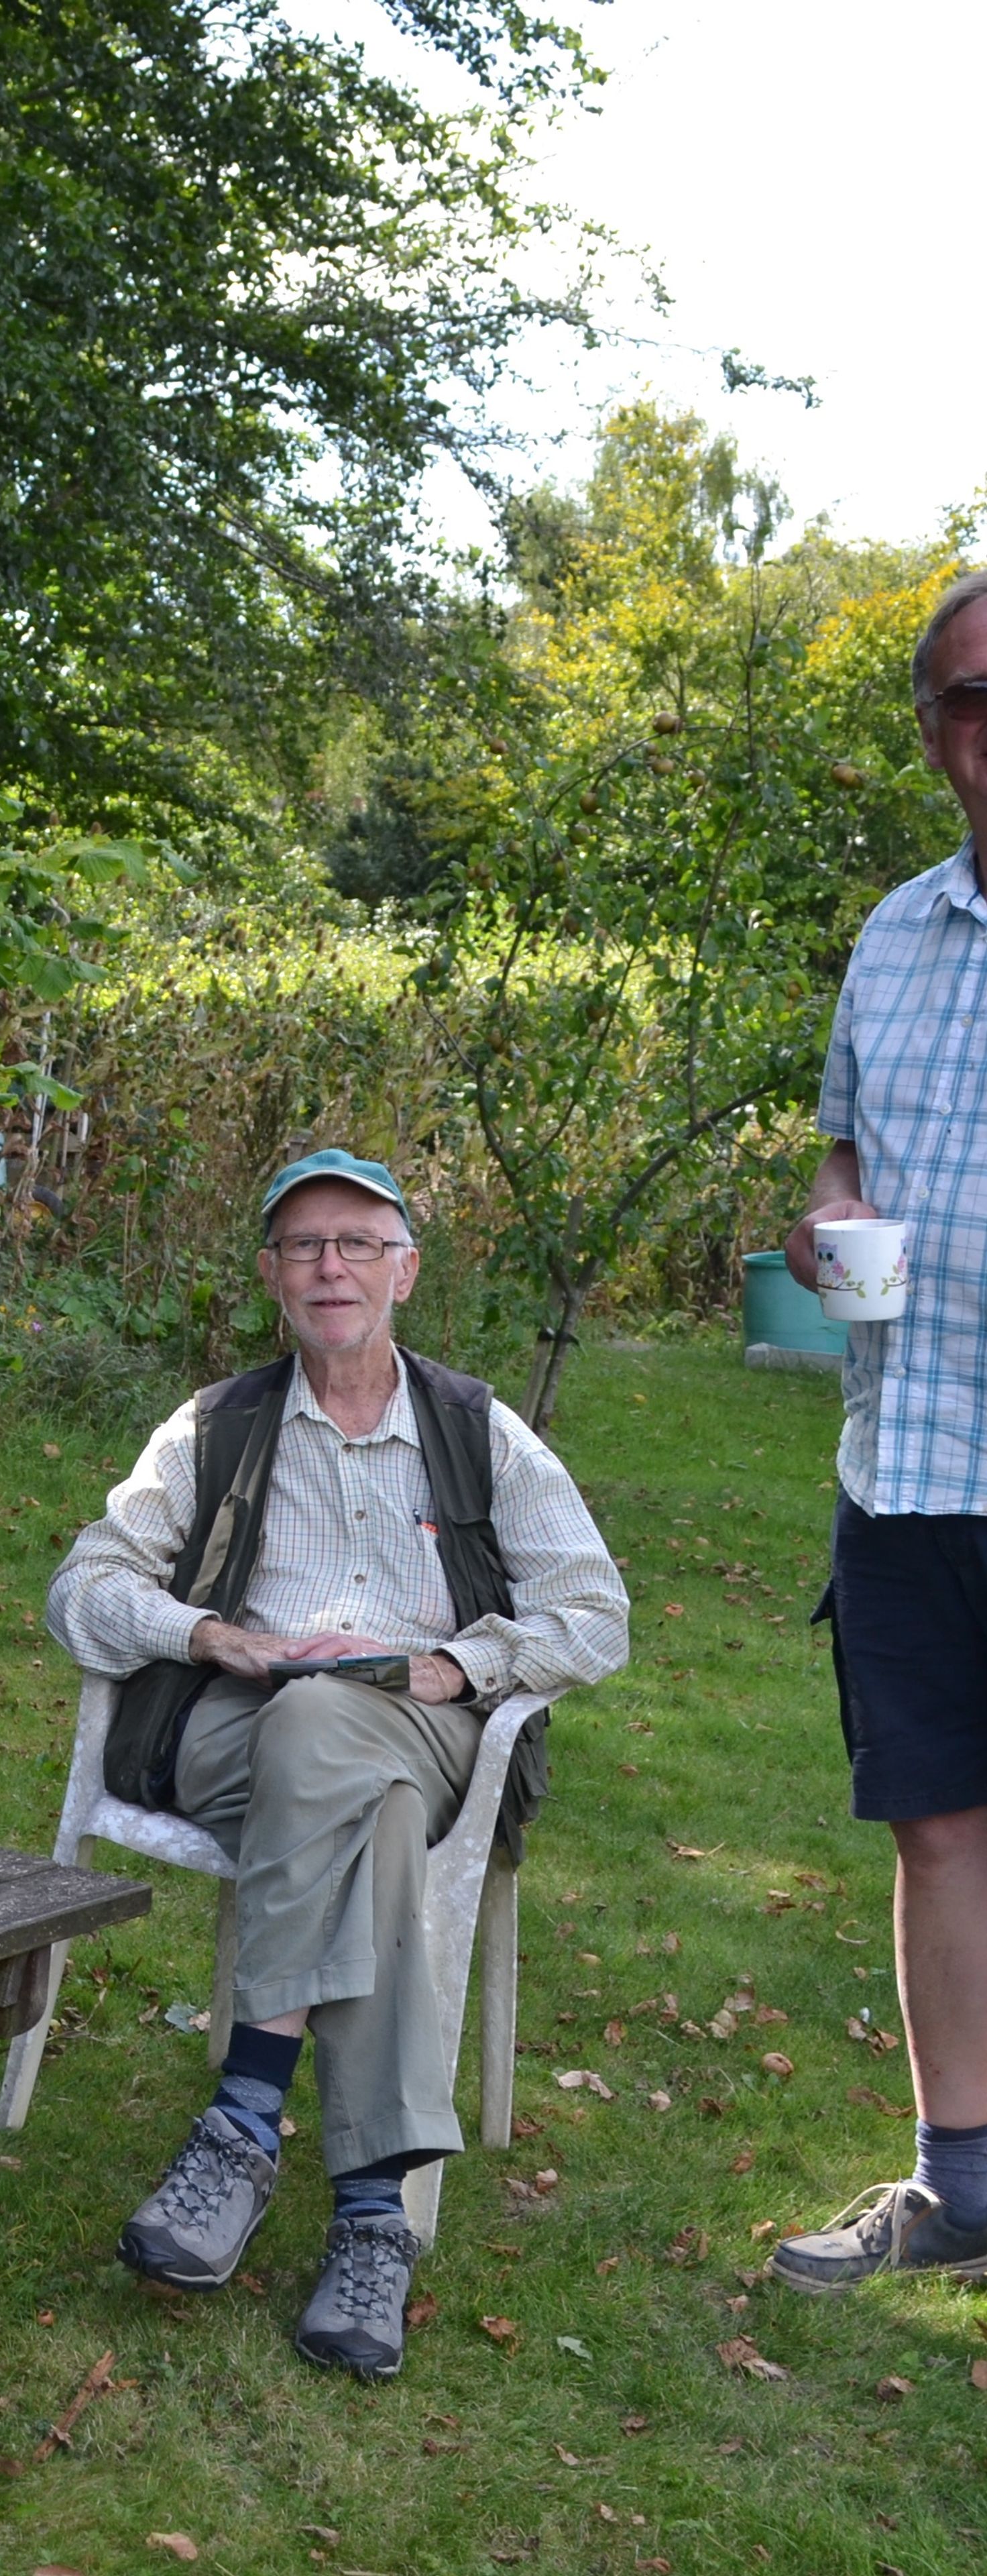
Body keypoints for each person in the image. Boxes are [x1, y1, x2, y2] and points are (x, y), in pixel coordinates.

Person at [46, 1148, 629, 2378]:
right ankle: (373, 2217)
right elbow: (83, 1588)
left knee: (341, 1736)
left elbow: (595, 1616)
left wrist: (455, 1668)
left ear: (405, 1270)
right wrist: (212, 1635)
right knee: (333, 1758)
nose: (331, 1266)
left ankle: (243, 2127)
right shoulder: (215, 1426)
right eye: (305, 1245)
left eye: (359, 1244)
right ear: (270, 1275)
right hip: (238, 1723)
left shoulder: (481, 1432)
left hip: (424, 1716)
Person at [770, 567, 987, 2294]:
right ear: (933, 738)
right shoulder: (895, 934)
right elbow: (847, 1150)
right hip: (908, 1456)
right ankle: (959, 2189)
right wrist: (826, 1225)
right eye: (969, 701)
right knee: (937, 1828)